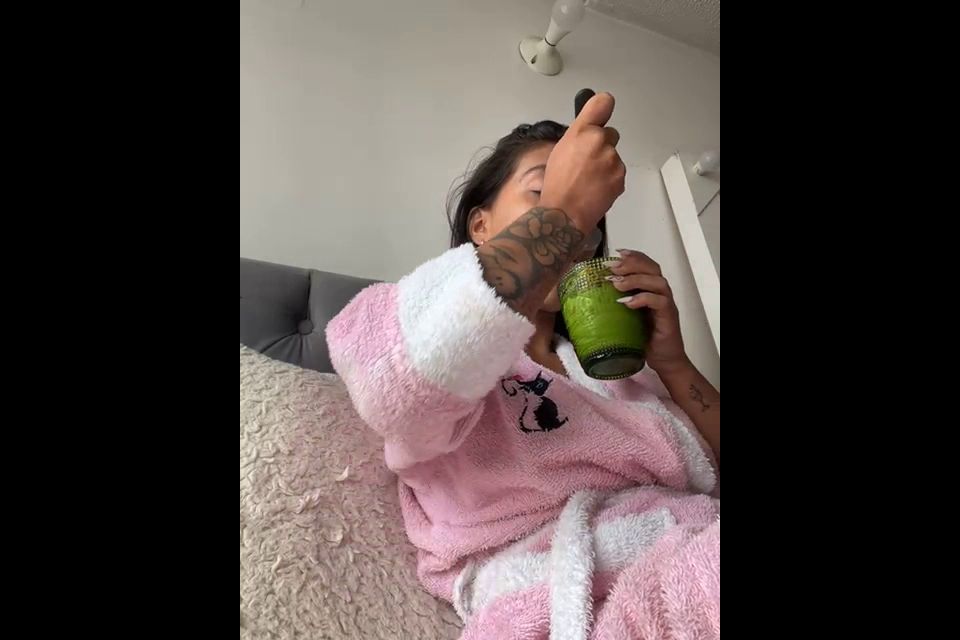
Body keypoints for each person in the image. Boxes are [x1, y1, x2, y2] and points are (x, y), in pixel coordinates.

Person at [327, 93, 719, 639]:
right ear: (481, 225)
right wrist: (563, 216)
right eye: (544, 190)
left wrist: (673, 363)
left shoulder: (614, 378)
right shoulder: (431, 341)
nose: (582, 234)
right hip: (561, 591)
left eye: (589, 218)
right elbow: (391, 382)